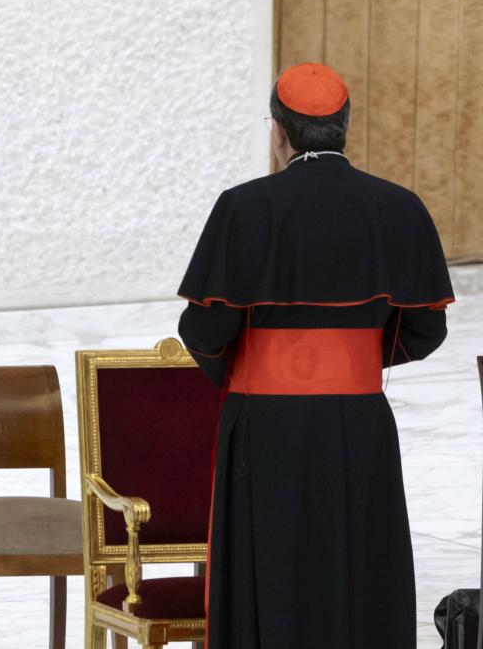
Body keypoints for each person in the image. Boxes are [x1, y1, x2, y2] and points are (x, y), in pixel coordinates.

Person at [177, 63, 454, 648]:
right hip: (359, 424)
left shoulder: (245, 207)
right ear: (344, 128)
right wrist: (348, 355)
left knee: (267, 574)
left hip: (267, 426)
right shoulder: (398, 207)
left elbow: (204, 326)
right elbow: (427, 329)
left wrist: (250, 362)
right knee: (356, 564)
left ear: (279, 133)